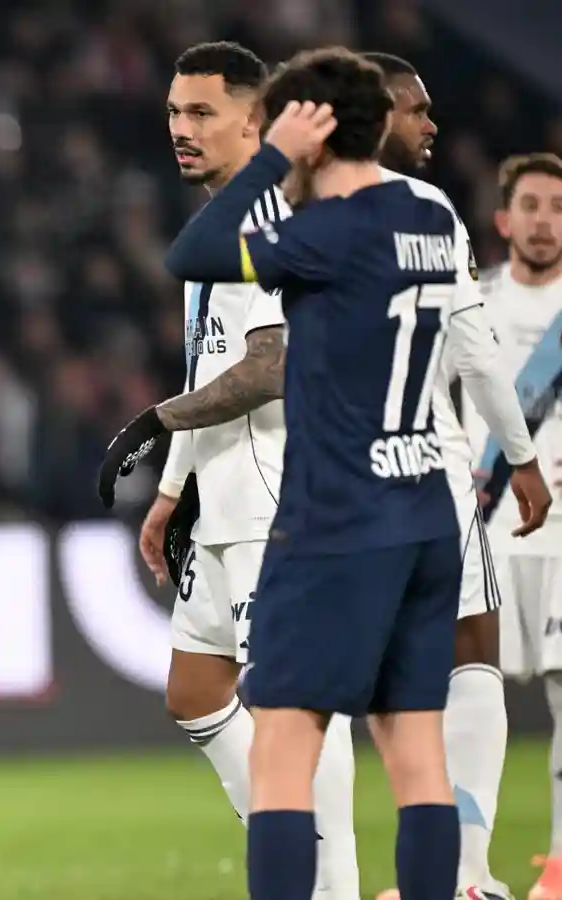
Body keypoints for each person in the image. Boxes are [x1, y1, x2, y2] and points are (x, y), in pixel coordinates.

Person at [149, 48, 526, 900]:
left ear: (311, 128)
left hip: (333, 510)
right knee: (416, 751)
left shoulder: (317, 234)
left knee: (284, 745)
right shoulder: (430, 214)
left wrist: (276, 156)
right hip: (425, 501)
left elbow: (197, 249)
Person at [137, 41, 362, 900]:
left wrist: (159, 422)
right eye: (172, 113)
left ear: (255, 120)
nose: (180, 130)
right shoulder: (218, 221)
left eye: (200, 113)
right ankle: (289, 853)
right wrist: (169, 490)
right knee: (195, 692)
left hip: (280, 498)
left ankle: (327, 880)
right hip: (221, 494)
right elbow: (209, 362)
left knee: (292, 705)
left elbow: (270, 364)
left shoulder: (272, 216)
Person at [361, 51, 550, 900]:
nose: (432, 124)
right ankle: (460, 875)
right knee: (471, 653)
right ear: (373, 113)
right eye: (415, 109)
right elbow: (475, 356)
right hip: (427, 473)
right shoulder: (427, 211)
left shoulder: (292, 208)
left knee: (359, 688)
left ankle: (374, 878)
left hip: (332, 483)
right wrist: (521, 459)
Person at [464, 152, 562, 900]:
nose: (544, 220)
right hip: (481, 532)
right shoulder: (472, 302)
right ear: (505, 219)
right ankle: (467, 871)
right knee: (467, 700)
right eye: (531, 205)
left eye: (558, 207)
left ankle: (560, 868)